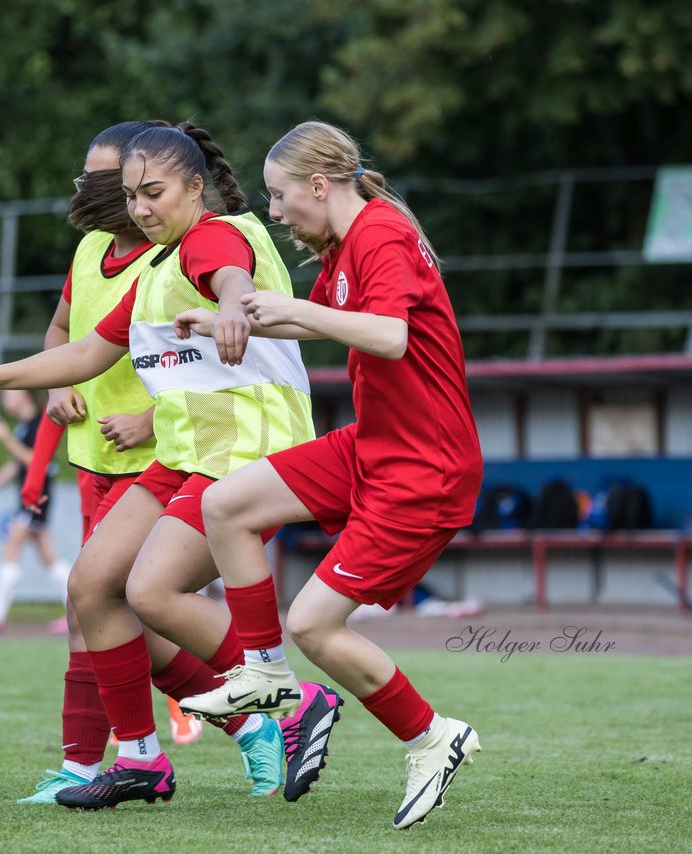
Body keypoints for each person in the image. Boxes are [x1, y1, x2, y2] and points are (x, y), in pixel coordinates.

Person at [0, 122, 343, 810]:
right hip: (189, 455)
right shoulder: (156, 268)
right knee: (93, 585)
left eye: (152, 192)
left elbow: (230, 275)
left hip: (249, 455)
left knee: (151, 594)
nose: (138, 208)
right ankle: (139, 760)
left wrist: (229, 306)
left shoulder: (213, 238)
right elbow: (83, 354)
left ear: (196, 187)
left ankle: (296, 698)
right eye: (131, 196)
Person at [174, 121, 484, 830]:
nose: (276, 212)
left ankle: (432, 737)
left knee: (315, 624)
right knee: (226, 506)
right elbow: (325, 323)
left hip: (424, 467)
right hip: (376, 445)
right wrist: (241, 320)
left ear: (320, 185)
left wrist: (291, 307)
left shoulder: (379, 233)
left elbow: (389, 335)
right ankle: (264, 674)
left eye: (281, 197)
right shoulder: (348, 245)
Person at [9, 120, 199, 806]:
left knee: (112, 608)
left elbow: (203, 363)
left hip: (164, 461)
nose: (86, 189)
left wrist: (151, 417)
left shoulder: (173, 258)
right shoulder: (91, 249)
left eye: (100, 176)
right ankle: (98, 762)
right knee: (93, 610)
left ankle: (240, 720)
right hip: (95, 461)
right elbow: (66, 331)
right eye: (85, 176)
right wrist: (57, 385)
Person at [0, 389, 73, 635]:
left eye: (9, 395)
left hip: (36, 498)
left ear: (24, 396)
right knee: (49, 559)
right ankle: (76, 613)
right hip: (32, 498)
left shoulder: (39, 424)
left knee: (12, 548)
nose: (5, 401)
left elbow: (36, 460)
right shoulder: (23, 427)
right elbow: (15, 465)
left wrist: (5, 439)